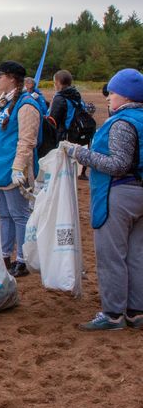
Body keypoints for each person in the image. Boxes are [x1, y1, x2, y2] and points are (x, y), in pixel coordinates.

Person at [60, 68, 143, 331]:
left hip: (119, 193)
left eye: (113, 93)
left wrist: (79, 154)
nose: (108, 97)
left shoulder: (122, 123)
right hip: (139, 193)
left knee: (111, 256)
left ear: (127, 96)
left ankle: (113, 314)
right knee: (136, 255)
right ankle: (136, 311)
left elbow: (118, 164)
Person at [0, 61, 43, 278]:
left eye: (0, 76)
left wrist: (18, 167)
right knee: (3, 215)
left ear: (12, 78)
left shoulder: (26, 104)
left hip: (12, 168)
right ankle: (5, 254)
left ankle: (23, 259)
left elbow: (27, 139)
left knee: (19, 215)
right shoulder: (2, 102)